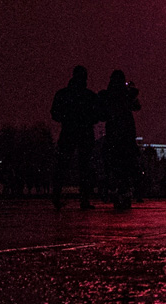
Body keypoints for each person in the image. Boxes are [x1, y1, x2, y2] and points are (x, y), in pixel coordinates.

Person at [51, 65, 101, 210]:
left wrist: (68, 119)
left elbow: (55, 113)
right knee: (84, 167)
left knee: (62, 165)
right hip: (84, 134)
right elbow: (97, 116)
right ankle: (84, 199)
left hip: (68, 132)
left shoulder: (63, 94)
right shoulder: (89, 96)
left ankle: (57, 196)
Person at [98, 70, 140, 211]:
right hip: (126, 135)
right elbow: (137, 106)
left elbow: (102, 115)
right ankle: (125, 194)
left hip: (113, 134)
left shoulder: (108, 96)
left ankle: (115, 192)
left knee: (114, 166)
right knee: (126, 167)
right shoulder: (127, 94)